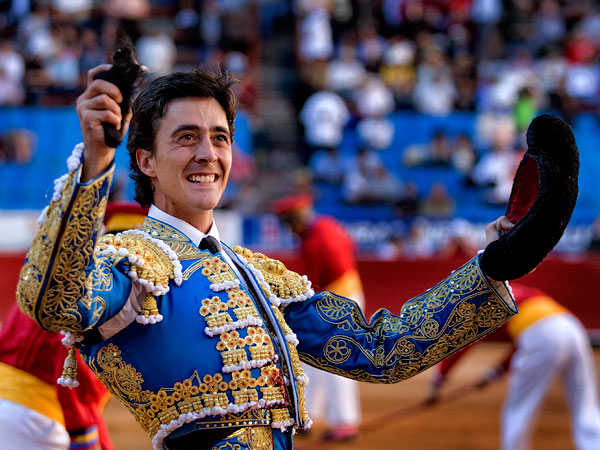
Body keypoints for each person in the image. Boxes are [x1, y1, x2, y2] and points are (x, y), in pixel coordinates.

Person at [17, 63, 518, 450]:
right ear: (146, 159)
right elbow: (52, 298)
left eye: (220, 137)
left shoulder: (258, 275)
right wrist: (95, 164)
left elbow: (383, 352)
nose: (208, 153)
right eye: (186, 137)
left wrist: (492, 267)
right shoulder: (130, 262)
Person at [0, 202, 146, 450]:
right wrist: (85, 442)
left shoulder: (61, 275)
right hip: (33, 419)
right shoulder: (107, 291)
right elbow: (76, 387)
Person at [429, 284, 600, 450]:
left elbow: (463, 344)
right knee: (585, 401)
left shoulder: (481, 303)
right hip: (571, 327)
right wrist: (493, 374)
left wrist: (439, 380)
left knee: (519, 407)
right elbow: (524, 342)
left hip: (541, 335)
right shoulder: (515, 292)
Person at [271, 193, 362, 441]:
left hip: (338, 301)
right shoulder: (324, 228)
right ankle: (308, 416)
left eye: (289, 224)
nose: (290, 230)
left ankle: (344, 422)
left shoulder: (317, 238)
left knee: (336, 361)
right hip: (337, 297)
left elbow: (326, 278)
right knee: (314, 358)